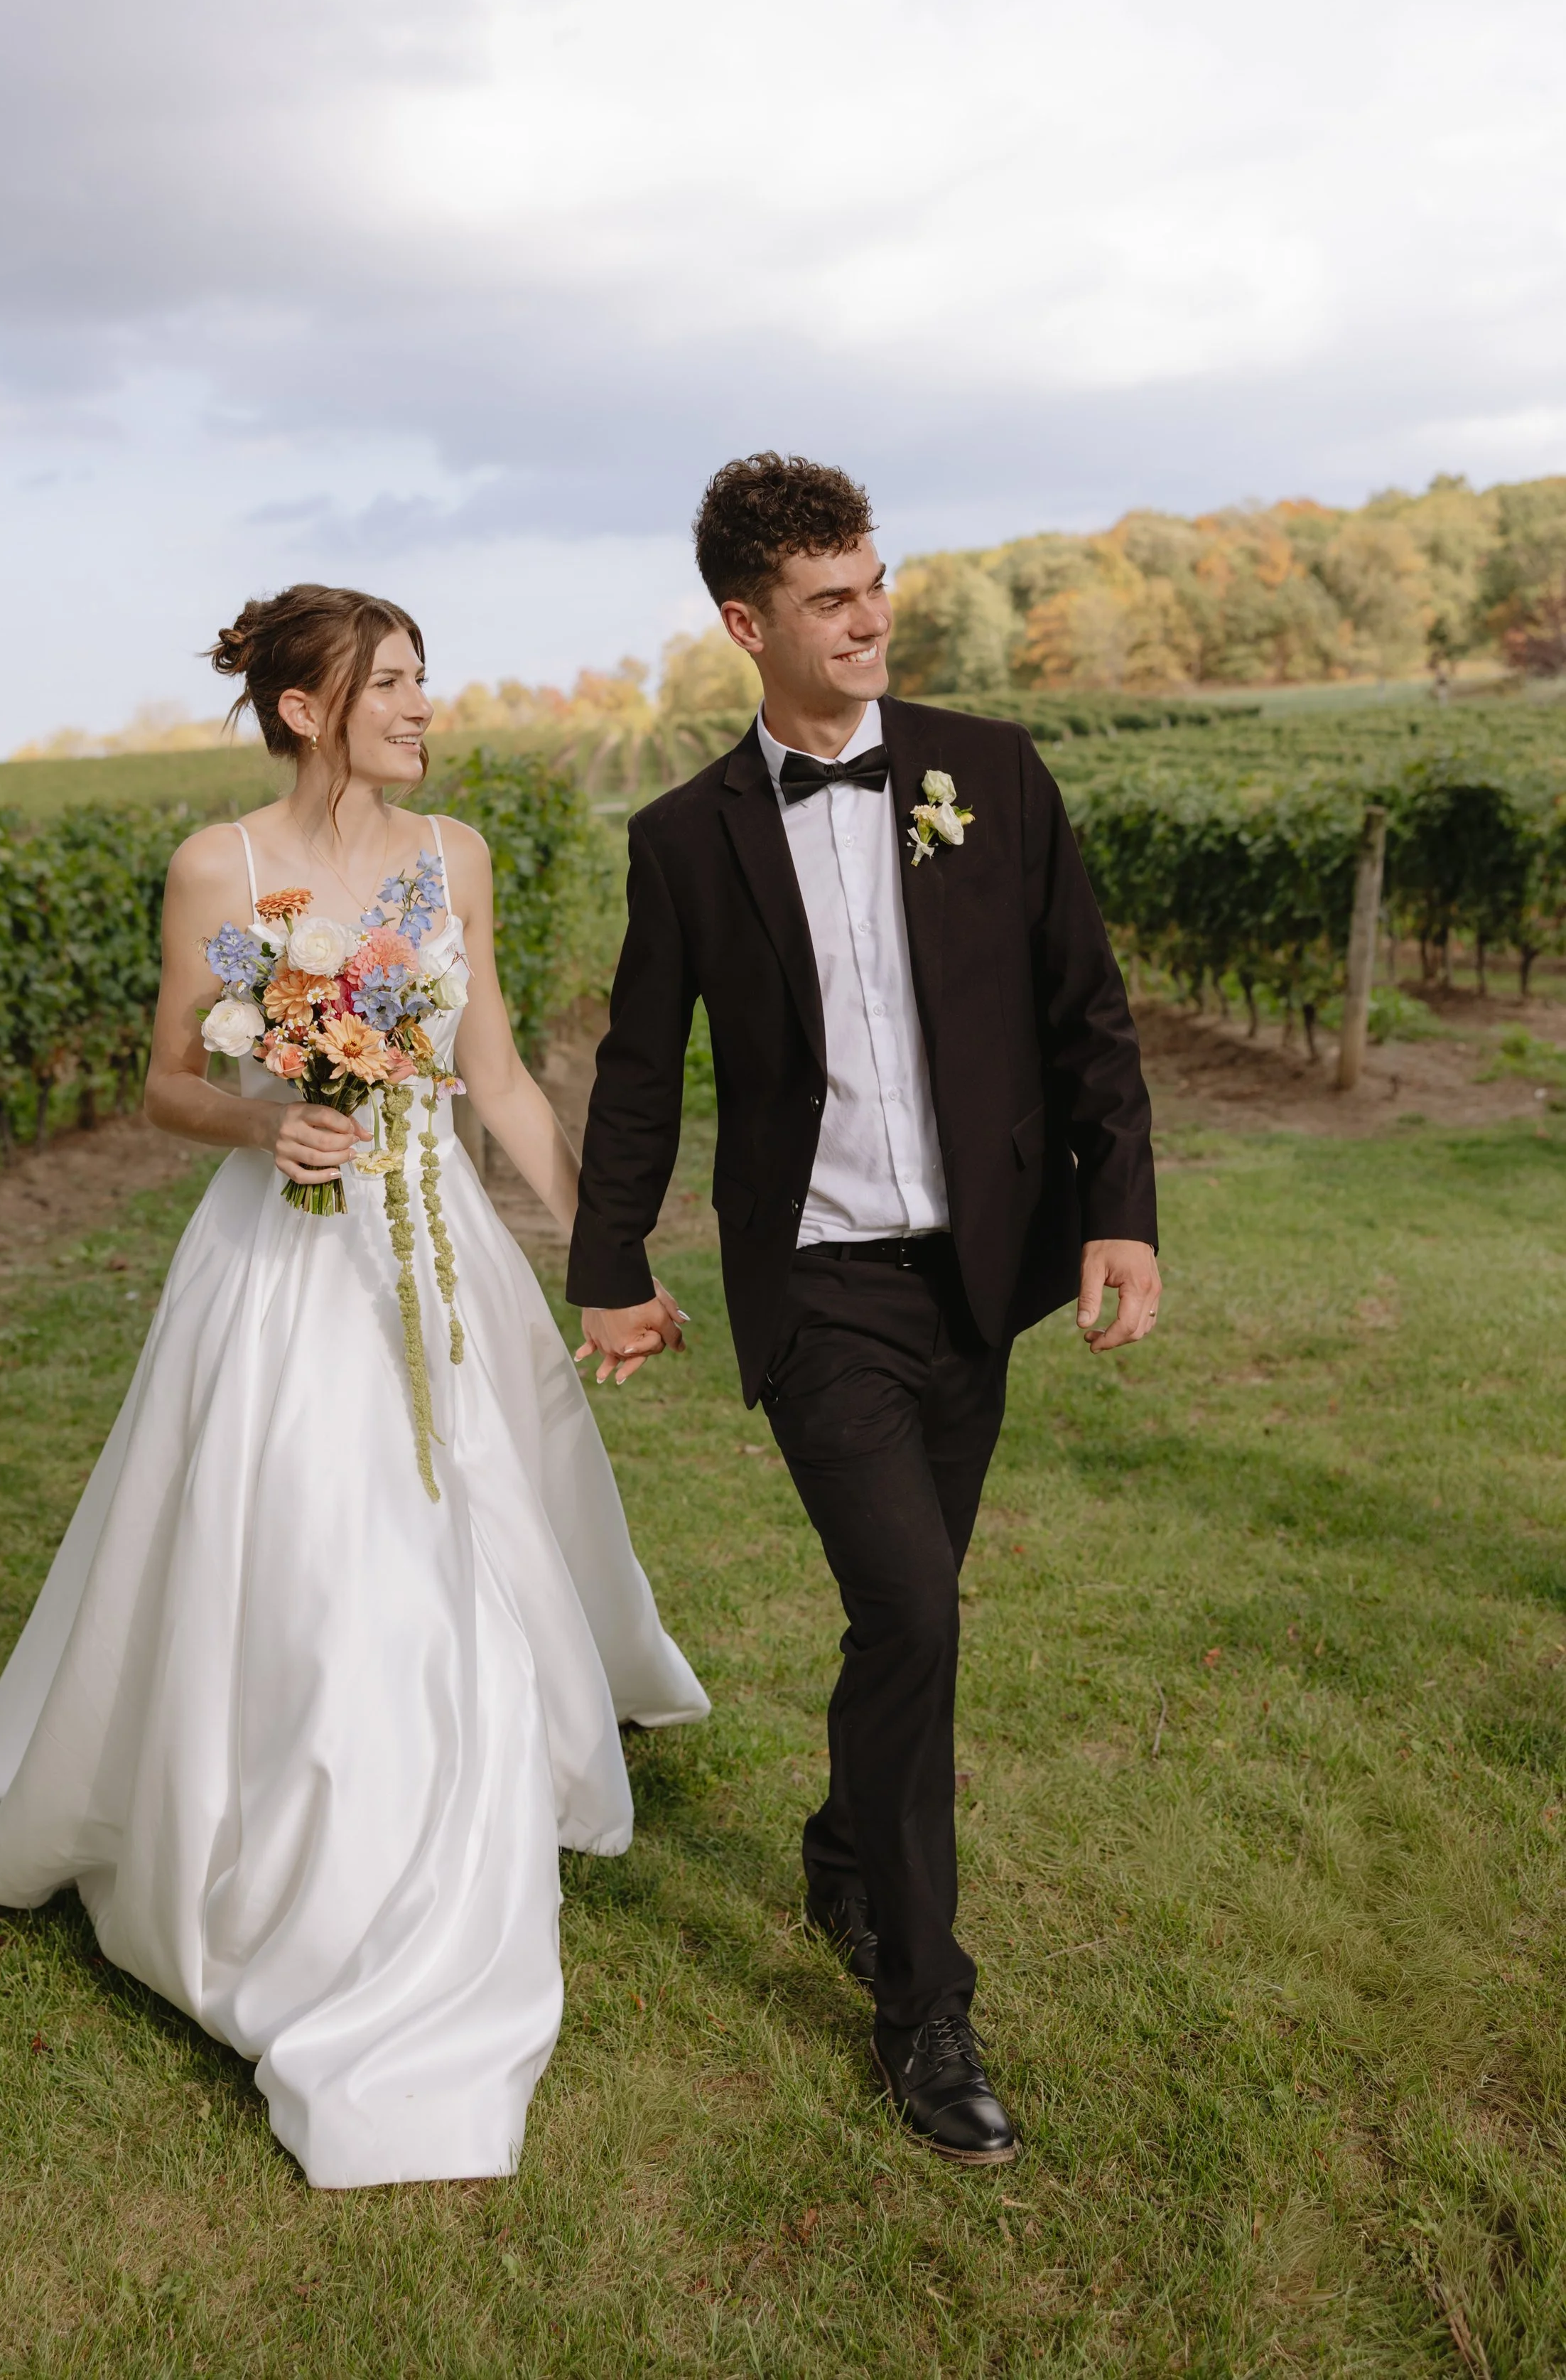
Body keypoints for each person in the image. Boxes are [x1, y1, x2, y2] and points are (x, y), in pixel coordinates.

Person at [0, 582, 708, 2190]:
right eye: (397, 686)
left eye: (430, 682)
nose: (428, 709)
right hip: (281, 1265)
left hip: (437, 1254)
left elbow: (491, 1071)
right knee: (304, 1560)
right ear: (306, 708)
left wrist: (606, 1256)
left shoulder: (457, 863)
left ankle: (452, 1809)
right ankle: (294, 1858)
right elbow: (167, 1079)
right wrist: (261, 1121)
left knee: (460, 1552)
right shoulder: (214, 870)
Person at [568, 458, 1158, 2166]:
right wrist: (610, 1264)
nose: (871, 616)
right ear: (746, 626)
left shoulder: (990, 772)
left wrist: (1112, 1219)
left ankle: (843, 1851)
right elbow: (633, 1077)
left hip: (973, 1280)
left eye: (876, 583)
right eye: (832, 599)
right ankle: (923, 2005)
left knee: (909, 1618)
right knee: (911, 1608)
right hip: (817, 1292)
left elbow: (1088, 1021)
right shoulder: (685, 842)